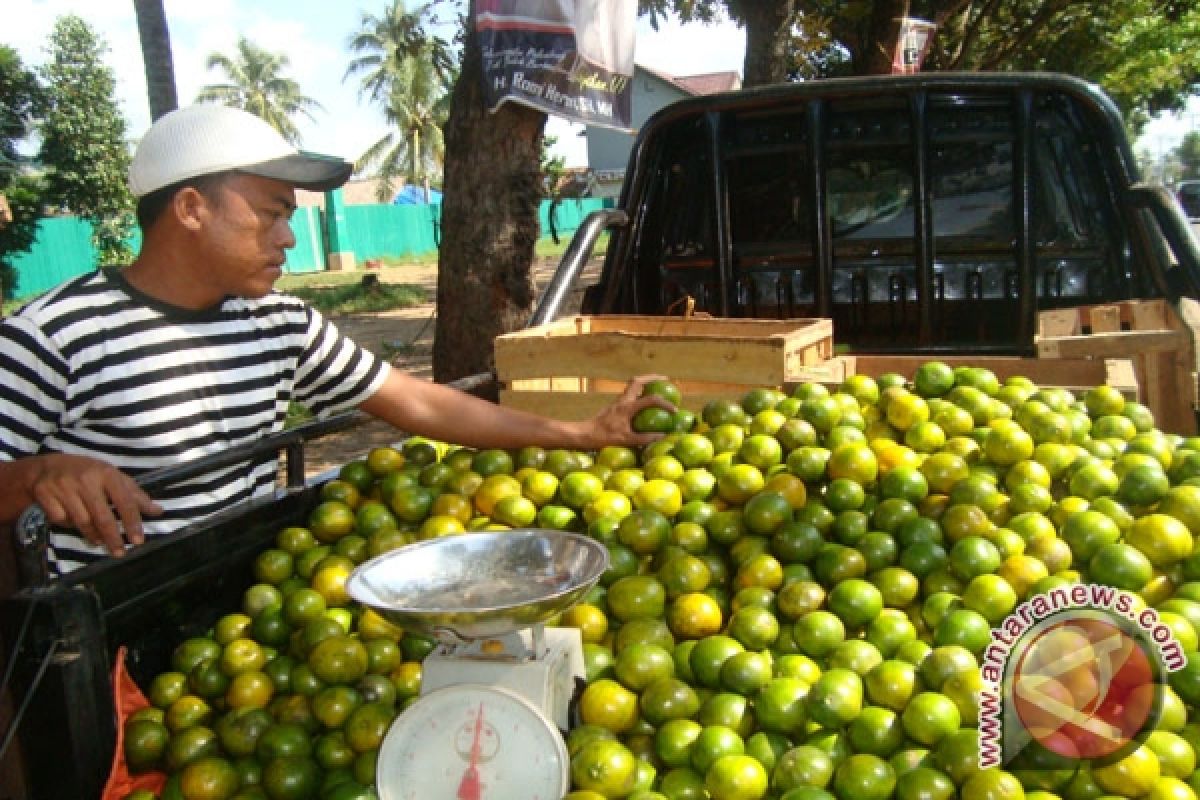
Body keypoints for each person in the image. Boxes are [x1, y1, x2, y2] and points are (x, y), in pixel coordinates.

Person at [0, 104, 671, 576]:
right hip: (106, 628)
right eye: (271, 214)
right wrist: (38, 475)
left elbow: (422, 405)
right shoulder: (52, 336)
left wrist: (586, 433)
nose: (289, 238)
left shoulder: (279, 324)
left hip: (247, 596)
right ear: (191, 209)